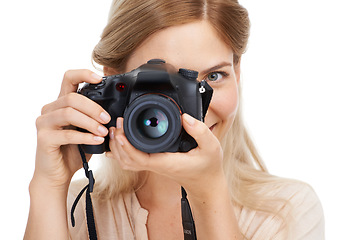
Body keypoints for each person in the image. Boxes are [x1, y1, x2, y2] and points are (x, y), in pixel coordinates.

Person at [24, 0, 325, 239]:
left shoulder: (288, 211)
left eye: (215, 76)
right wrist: (49, 185)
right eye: (164, 82)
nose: (187, 111)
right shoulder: (76, 208)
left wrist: (208, 193)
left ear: (238, 73)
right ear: (113, 78)